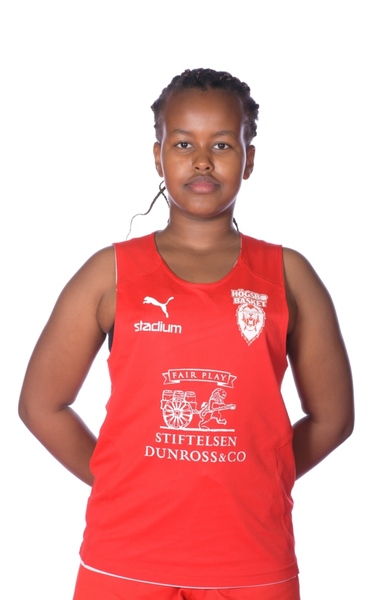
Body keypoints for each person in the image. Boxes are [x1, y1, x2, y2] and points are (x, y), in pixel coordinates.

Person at [18, 68, 354, 600]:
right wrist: (121, 478)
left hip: (251, 559)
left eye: (222, 144)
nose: (202, 160)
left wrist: (264, 476)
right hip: (124, 559)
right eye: (182, 143)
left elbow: (333, 419)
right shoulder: (110, 273)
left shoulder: (287, 275)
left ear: (249, 159)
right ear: (158, 157)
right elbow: (41, 405)